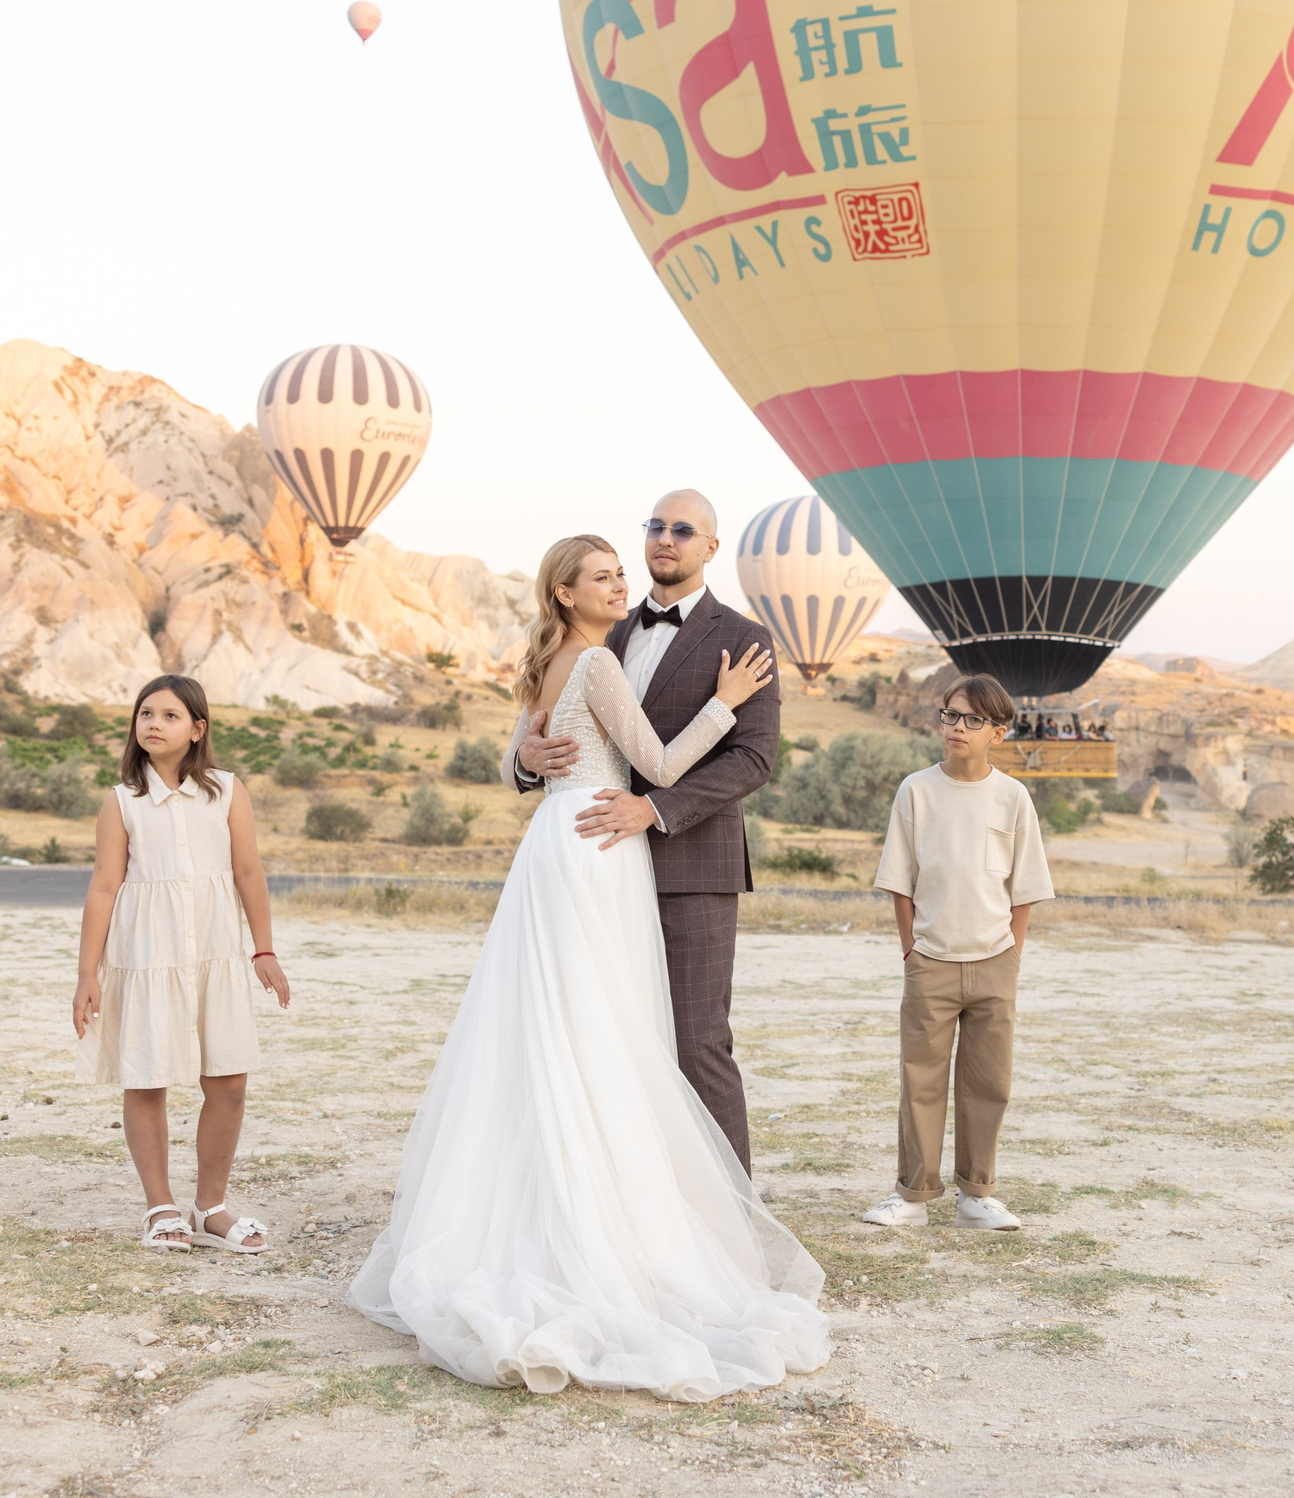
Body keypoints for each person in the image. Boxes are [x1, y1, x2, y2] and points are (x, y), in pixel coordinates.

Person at [350, 534, 830, 1400]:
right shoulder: (600, 663)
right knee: (603, 1033)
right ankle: (610, 1226)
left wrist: (525, 760)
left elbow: (523, 751)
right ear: (568, 594)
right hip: (596, 852)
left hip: (554, 852)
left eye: (623, 570)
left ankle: (543, 1208)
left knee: (554, 1031)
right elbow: (656, 765)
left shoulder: (550, 657)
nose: (624, 578)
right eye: (604, 574)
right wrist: (721, 703)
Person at [510, 490, 781, 1170]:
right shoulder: (610, 633)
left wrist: (655, 809)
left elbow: (754, 758)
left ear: (710, 548)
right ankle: (632, 1198)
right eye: (655, 526)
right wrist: (523, 760)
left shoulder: (743, 638)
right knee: (601, 1035)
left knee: (695, 1042)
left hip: (692, 868)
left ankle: (729, 1213)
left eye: (683, 530)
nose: (665, 539)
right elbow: (540, 735)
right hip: (599, 865)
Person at [72, 675, 289, 1255]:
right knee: (146, 1076)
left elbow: (248, 874)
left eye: (170, 715)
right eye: (145, 713)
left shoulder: (226, 790)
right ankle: (160, 1207)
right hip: (148, 959)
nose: (153, 724)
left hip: (214, 957)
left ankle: (211, 1207)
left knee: (229, 1080)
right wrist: (87, 974)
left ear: (197, 729)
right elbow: (103, 887)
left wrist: (263, 949)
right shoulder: (122, 802)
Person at [861, 672, 1055, 1233]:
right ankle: (913, 1196)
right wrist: (911, 951)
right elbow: (899, 880)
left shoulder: (1014, 797)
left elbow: (1025, 887)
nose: (957, 727)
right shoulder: (915, 790)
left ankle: (978, 1196)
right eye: (949, 715)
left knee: (988, 1081)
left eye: (971, 719)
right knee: (920, 1079)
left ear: (998, 732)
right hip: (930, 959)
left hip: (996, 960)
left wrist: (1011, 958)